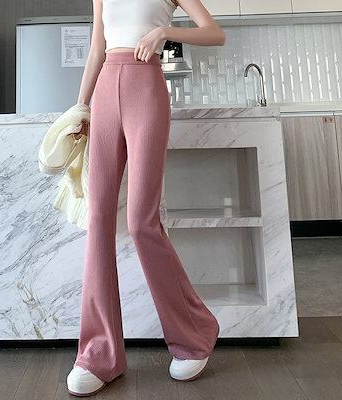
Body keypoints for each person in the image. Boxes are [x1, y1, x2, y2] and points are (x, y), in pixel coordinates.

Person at [66, 0, 226, 396]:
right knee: (98, 220)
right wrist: (80, 109)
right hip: (105, 89)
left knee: (141, 221)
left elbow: (214, 33)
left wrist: (163, 32)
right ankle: (98, 354)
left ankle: (194, 335)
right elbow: (96, 48)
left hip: (146, 87)